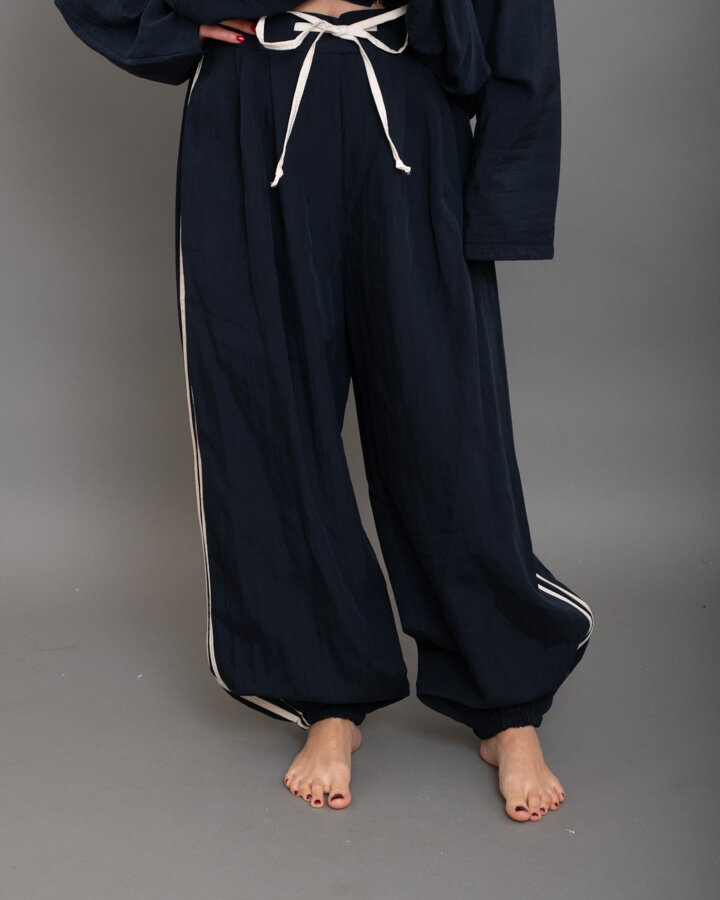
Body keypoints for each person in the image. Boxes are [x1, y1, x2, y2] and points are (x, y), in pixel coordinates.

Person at [53, 0, 594, 822]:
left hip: (407, 98)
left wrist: (509, 187)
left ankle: (506, 699)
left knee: (448, 420)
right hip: (255, 101)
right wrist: (162, 27)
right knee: (268, 414)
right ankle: (326, 695)